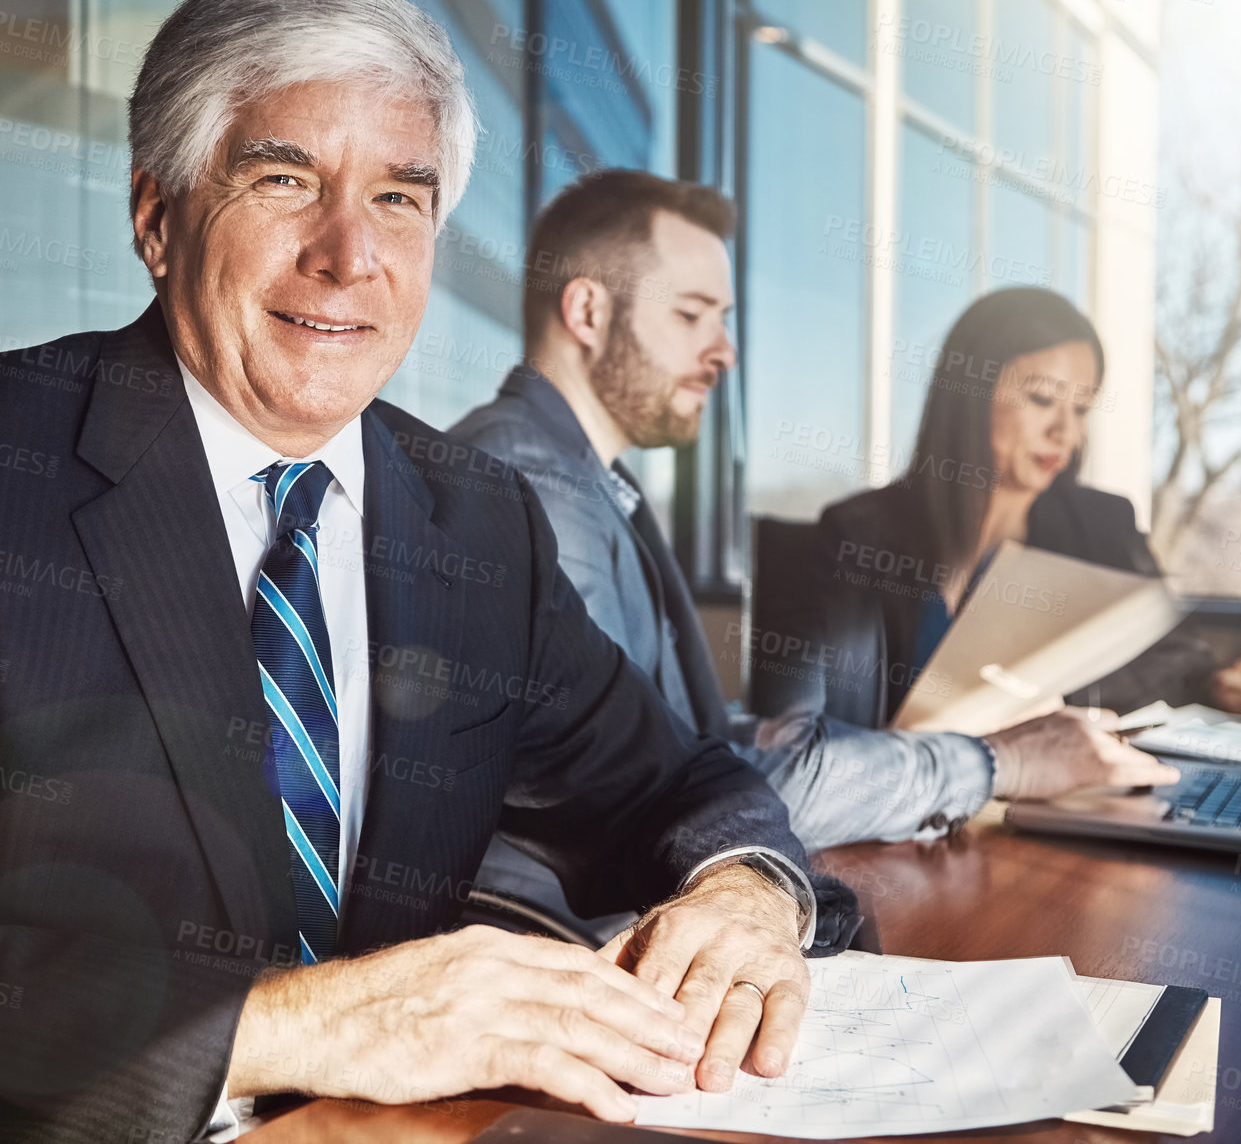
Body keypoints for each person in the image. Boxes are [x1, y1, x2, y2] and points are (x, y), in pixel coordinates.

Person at [0, 0, 856, 1144]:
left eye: (397, 198)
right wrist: (296, 1025)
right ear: (156, 217)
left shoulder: (476, 524)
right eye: (283, 179)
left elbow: (676, 780)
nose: (348, 256)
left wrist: (745, 890)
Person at [450, 172, 1178, 891]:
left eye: (725, 319)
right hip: (584, 943)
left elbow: (684, 753)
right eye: (693, 315)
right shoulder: (533, 485)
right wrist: (998, 763)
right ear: (586, 312)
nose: (724, 351)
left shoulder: (596, 486)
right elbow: (656, 790)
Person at [814, 285, 1241, 724]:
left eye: (1082, 409)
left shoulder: (1103, 523)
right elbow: (821, 720)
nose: (1065, 432)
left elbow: (1178, 659)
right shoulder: (856, 533)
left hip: (1060, 788)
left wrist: (1220, 685)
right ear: (971, 391)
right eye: (1042, 400)